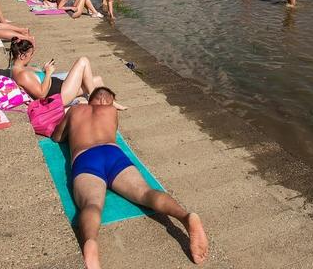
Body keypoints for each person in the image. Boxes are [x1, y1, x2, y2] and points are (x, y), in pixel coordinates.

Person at [51, 87, 208, 269]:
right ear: (109, 101)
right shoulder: (111, 111)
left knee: (92, 204)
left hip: (87, 158)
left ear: (90, 98)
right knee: (146, 193)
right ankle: (186, 217)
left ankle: (91, 242)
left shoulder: (75, 110)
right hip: (114, 155)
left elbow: (57, 137)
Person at [9, 39, 118, 106]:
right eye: (31, 54)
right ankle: (95, 100)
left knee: (97, 80)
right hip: (60, 96)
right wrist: (48, 73)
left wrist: (43, 70)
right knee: (83, 61)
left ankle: (108, 103)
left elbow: (36, 81)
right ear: (22, 56)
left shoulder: (18, 68)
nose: (32, 57)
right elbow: (42, 95)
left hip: (60, 88)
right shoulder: (22, 75)